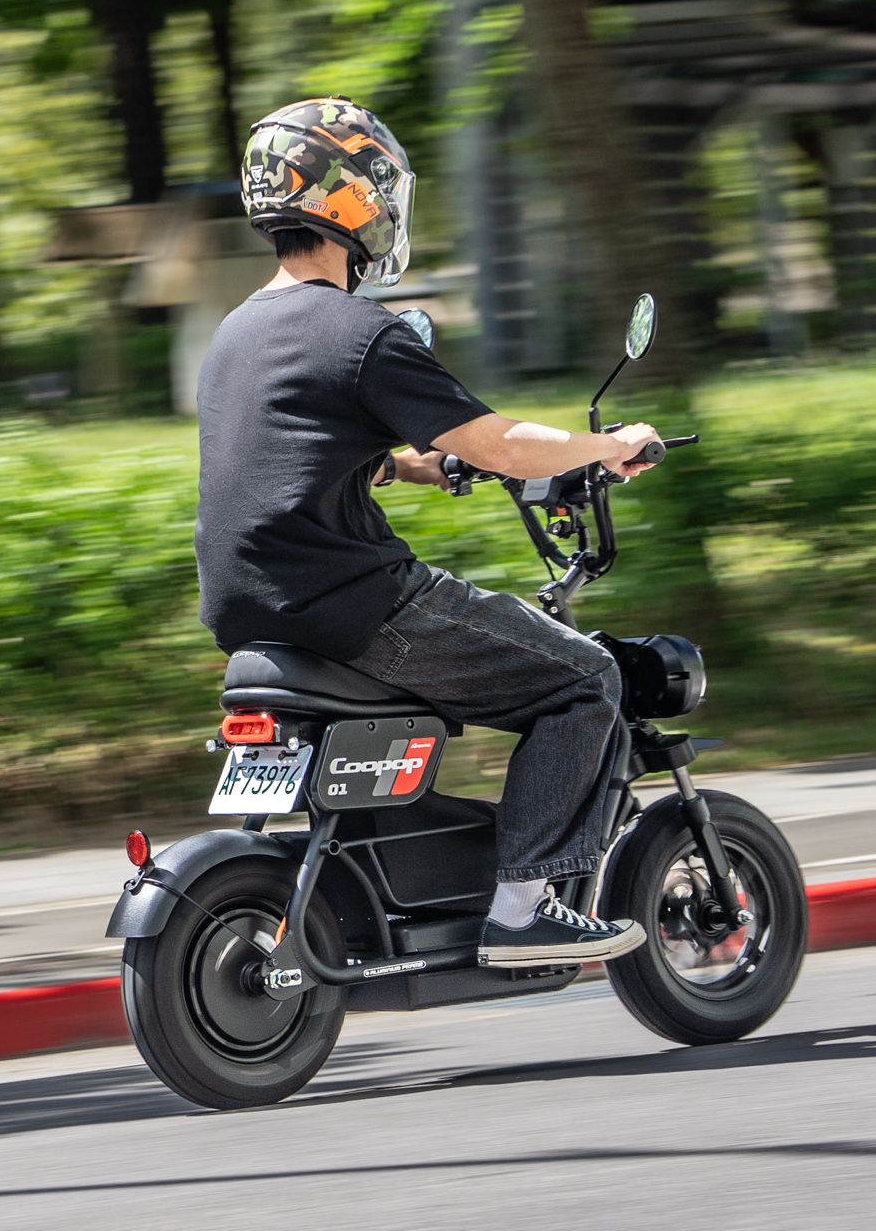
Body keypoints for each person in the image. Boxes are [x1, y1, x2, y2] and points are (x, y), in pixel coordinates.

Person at [195, 96, 657, 968]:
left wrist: (414, 465)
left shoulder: (236, 334)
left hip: (247, 609)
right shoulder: (358, 334)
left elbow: (294, 455)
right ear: (349, 201)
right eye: (378, 188)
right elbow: (501, 444)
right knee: (587, 677)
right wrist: (610, 444)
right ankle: (524, 905)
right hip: (355, 602)